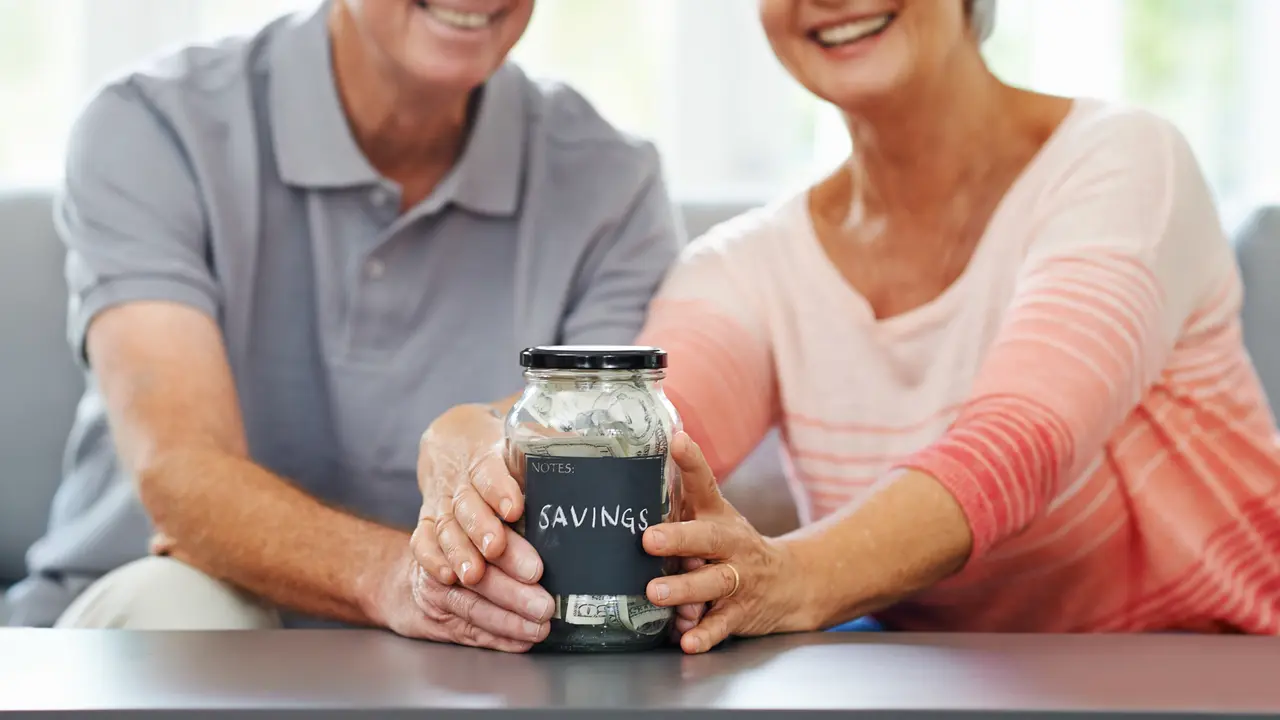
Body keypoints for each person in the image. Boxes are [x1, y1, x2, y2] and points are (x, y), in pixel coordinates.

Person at [414, 0, 1280, 654]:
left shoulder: (1125, 162)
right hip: (940, 683)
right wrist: (483, 443)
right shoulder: (748, 263)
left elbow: (1021, 444)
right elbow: (655, 437)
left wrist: (792, 578)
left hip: (1219, 668)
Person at [5, 0, 684, 653]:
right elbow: (182, 474)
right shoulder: (153, 126)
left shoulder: (613, 182)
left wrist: (484, 431)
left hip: (458, 654)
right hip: (143, 625)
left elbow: (612, 439)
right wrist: (398, 580)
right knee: (194, 607)